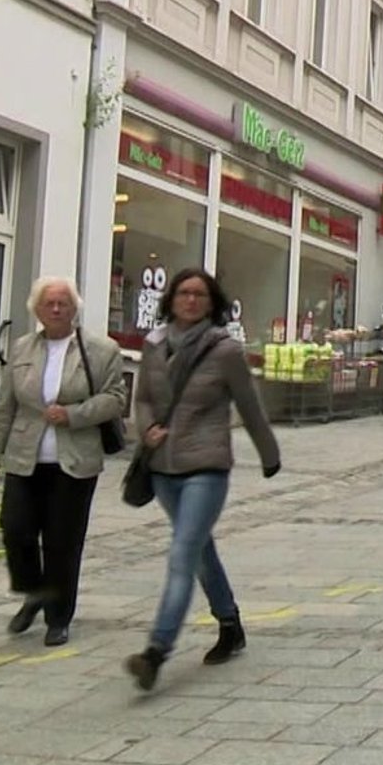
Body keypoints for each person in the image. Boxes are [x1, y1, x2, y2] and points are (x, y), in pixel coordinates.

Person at [124, 268, 282, 692]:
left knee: (182, 553)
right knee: (198, 549)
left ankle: (156, 651)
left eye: (199, 294)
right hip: (162, 468)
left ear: (212, 303)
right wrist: (145, 430)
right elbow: (141, 399)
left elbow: (249, 406)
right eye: (183, 293)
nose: (191, 301)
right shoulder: (154, 345)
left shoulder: (225, 350)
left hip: (206, 466)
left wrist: (270, 455)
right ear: (170, 299)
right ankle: (229, 623)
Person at [0, 276, 128, 647]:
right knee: (15, 529)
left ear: (74, 308)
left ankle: (58, 617)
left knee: (62, 542)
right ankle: (35, 590)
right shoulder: (23, 348)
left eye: (63, 303)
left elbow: (116, 399)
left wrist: (74, 414)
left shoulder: (101, 350)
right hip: (25, 458)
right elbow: (3, 409)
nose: (57, 309)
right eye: (49, 304)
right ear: (37, 309)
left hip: (74, 461)